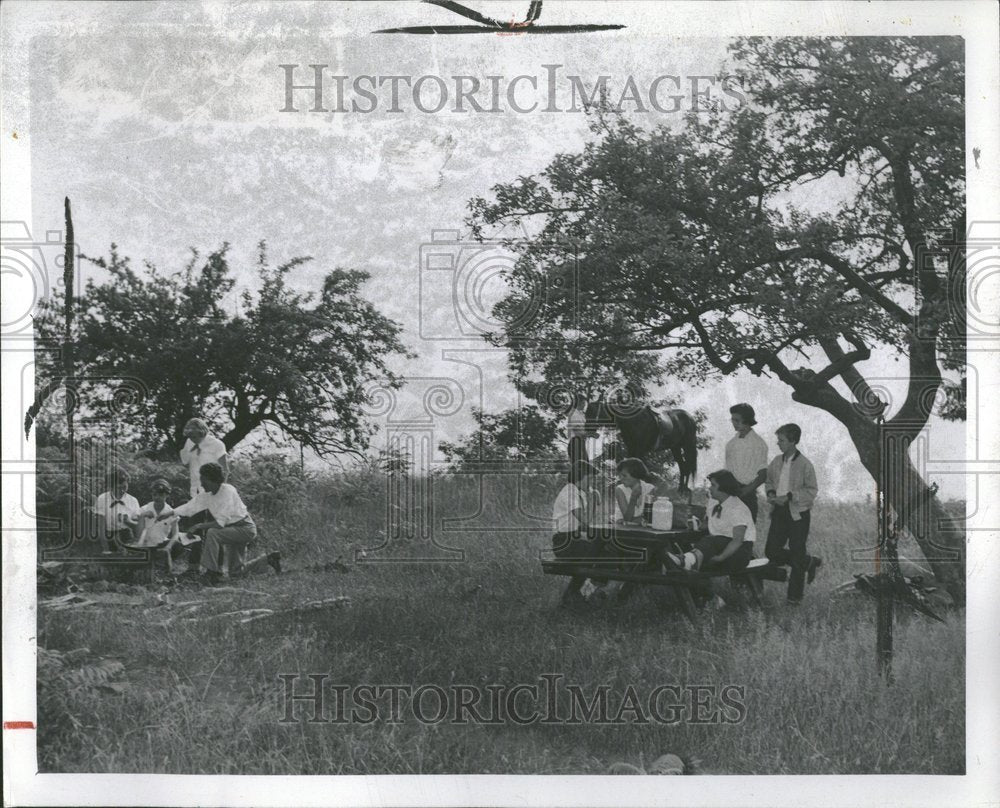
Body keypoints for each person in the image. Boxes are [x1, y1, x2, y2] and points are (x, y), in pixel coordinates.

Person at [170, 462, 279, 585]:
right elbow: (191, 506)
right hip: (233, 530)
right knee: (236, 573)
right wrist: (170, 513)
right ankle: (269, 559)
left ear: (213, 479)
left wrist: (197, 526)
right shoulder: (207, 495)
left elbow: (220, 523)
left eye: (203, 480)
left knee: (213, 533)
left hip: (245, 528)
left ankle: (211, 573)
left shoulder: (228, 491)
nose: (201, 483)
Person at [764, 423, 820, 604]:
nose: (778, 443)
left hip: (798, 515)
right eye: (778, 440)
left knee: (796, 553)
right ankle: (809, 561)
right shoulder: (776, 461)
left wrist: (789, 497)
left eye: (781, 440)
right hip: (779, 512)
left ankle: (794, 598)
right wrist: (771, 494)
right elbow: (769, 481)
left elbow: (811, 491)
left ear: (793, 441)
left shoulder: (805, 465)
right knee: (772, 552)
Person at [665, 470, 755, 574]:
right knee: (694, 541)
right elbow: (708, 524)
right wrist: (695, 524)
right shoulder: (713, 502)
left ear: (724, 488)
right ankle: (686, 563)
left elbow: (737, 541)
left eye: (713, 485)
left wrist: (721, 557)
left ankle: (686, 561)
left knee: (711, 541)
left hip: (738, 552)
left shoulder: (738, 509)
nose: (709, 488)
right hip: (719, 547)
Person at [551, 460, 605, 607]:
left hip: (573, 539)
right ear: (581, 477)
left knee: (604, 550)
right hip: (563, 543)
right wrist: (594, 498)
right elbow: (586, 521)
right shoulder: (569, 493)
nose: (592, 482)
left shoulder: (579, 492)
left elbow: (585, 522)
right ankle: (579, 593)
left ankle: (580, 592)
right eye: (590, 478)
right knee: (600, 554)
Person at [724, 403, 769, 523]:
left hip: (746, 494)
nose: (733, 423)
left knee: (745, 535)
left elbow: (763, 475)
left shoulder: (758, 444)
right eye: (732, 419)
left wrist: (745, 491)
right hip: (729, 493)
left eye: (737, 420)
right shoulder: (731, 443)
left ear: (747, 420)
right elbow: (727, 470)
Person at [93, 467, 141, 554]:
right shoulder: (102, 499)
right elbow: (101, 527)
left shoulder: (133, 500)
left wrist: (129, 522)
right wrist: (105, 549)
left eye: (125, 487)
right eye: (118, 488)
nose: (122, 491)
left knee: (133, 553)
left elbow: (137, 526)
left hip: (127, 534)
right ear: (111, 487)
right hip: (109, 535)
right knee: (118, 555)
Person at [179, 418, 228, 498]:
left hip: (213, 490)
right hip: (195, 490)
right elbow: (185, 461)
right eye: (190, 436)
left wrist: (220, 492)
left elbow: (225, 470)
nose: (192, 439)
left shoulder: (217, 444)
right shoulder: (189, 442)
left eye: (194, 437)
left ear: (202, 432)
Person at [614, 457, 669, 523]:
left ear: (636, 474)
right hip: (622, 528)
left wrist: (636, 520)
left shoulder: (649, 489)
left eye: (624, 476)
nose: (621, 478)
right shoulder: (620, 490)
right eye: (620, 475)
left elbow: (650, 517)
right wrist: (633, 498)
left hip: (642, 528)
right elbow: (627, 519)